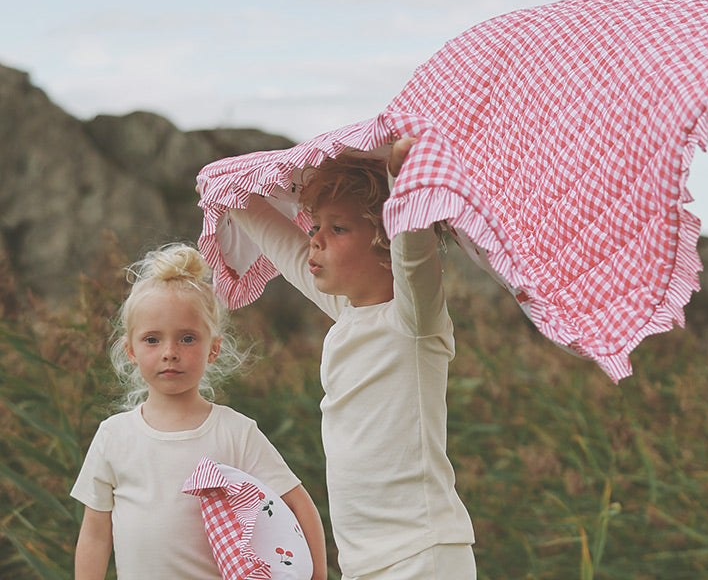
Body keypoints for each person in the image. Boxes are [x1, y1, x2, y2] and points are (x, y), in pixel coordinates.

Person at [218, 138, 476, 580]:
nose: (315, 239)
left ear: (383, 244)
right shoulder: (349, 315)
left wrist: (402, 180)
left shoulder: (413, 320)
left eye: (337, 229)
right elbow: (288, 247)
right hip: (363, 562)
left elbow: (414, 255)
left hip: (422, 552)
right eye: (316, 225)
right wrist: (230, 194)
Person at [71, 243, 327, 580]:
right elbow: (94, 534)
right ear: (130, 350)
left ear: (214, 348)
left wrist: (318, 576)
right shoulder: (113, 436)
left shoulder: (236, 432)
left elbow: (298, 505)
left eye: (188, 338)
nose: (170, 352)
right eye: (152, 339)